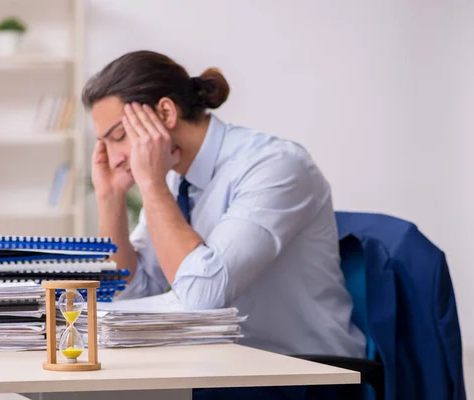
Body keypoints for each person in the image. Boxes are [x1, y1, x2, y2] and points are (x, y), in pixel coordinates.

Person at [82, 50, 365, 399]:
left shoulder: (274, 165)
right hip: (225, 371)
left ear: (165, 113)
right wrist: (109, 200)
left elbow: (201, 300)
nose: (115, 157)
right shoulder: (174, 181)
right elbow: (132, 290)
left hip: (302, 376)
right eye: (105, 144)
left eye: (119, 136)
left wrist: (151, 184)